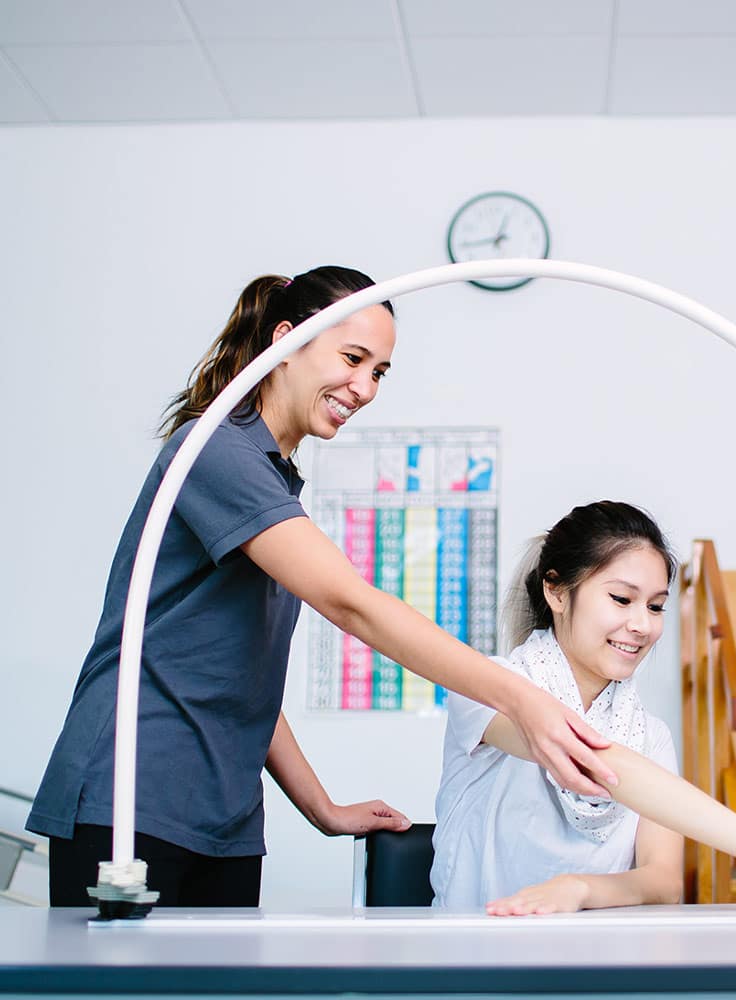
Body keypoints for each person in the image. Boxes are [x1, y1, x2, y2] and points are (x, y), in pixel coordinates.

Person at [27, 266, 616, 908]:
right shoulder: (215, 451)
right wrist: (522, 698)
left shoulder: (275, 480)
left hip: (225, 815)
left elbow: (236, 678)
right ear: (285, 341)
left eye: (380, 372)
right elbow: (351, 604)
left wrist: (321, 807)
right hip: (134, 794)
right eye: (353, 358)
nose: (364, 388)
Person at [431, 500, 736, 913]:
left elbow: (663, 882)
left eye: (655, 607)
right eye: (621, 599)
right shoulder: (489, 688)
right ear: (556, 591)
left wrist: (579, 890)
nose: (642, 625)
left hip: (595, 963)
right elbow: (588, 756)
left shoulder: (648, 736)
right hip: (472, 959)